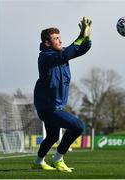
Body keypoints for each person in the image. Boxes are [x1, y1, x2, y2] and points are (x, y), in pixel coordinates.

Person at [32, 17, 92, 172]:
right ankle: (58, 159)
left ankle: (38, 162)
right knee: (78, 127)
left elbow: (81, 49)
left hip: (56, 105)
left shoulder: (61, 53)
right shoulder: (46, 57)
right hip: (49, 108)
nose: (59, 40)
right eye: (55, 38)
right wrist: (80, 37)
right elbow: (65, 55)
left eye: (60, 37)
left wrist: (87, 36)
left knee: (52, 137)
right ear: (47, 43)